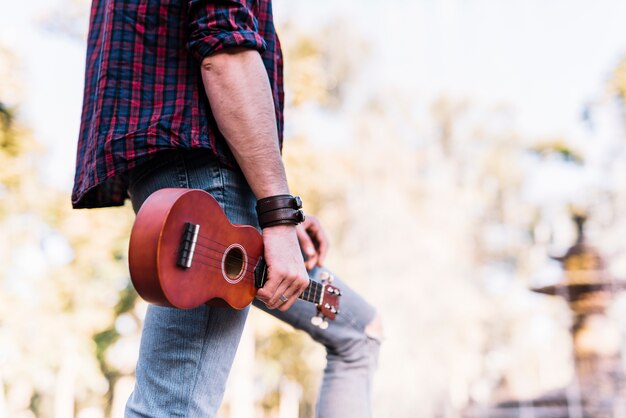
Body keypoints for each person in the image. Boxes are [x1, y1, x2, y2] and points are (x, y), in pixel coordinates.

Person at [72, 1, 382, 417]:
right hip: (203, 184)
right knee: (172, 408)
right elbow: (225, 54)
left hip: (200, 183)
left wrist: (281, 212)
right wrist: (277, 214)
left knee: (359, 331)